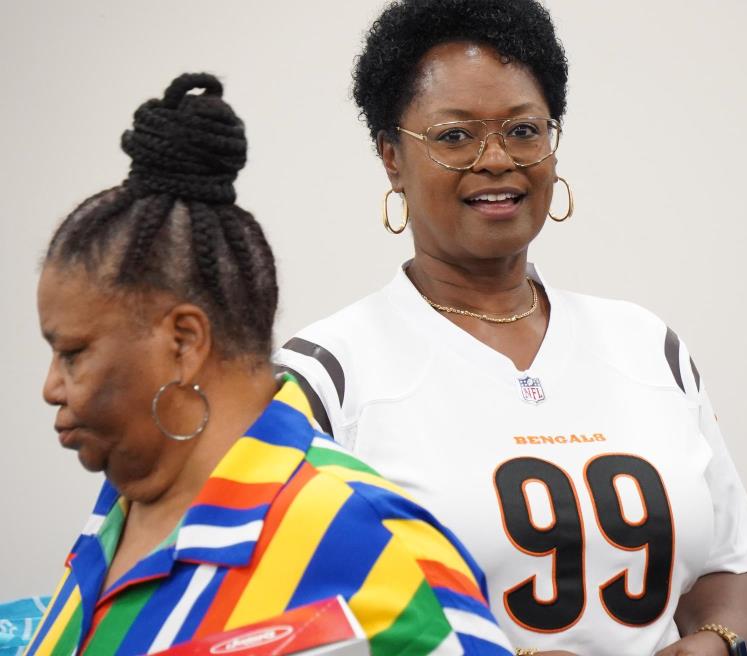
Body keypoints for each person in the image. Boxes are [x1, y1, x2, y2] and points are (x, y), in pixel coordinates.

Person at [274, 1, 747, 655]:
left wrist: (717, 641)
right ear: (392, 157)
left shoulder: (648, 346)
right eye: (455, 136)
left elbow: (727, 567)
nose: (497, 159)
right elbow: (285, 617)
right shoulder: (323, 376)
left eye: (524, 130)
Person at [27, 73, 513, 656]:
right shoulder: (118, 510)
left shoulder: (379, 552)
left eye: (73, 353)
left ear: (183, 342)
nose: (50, 387)